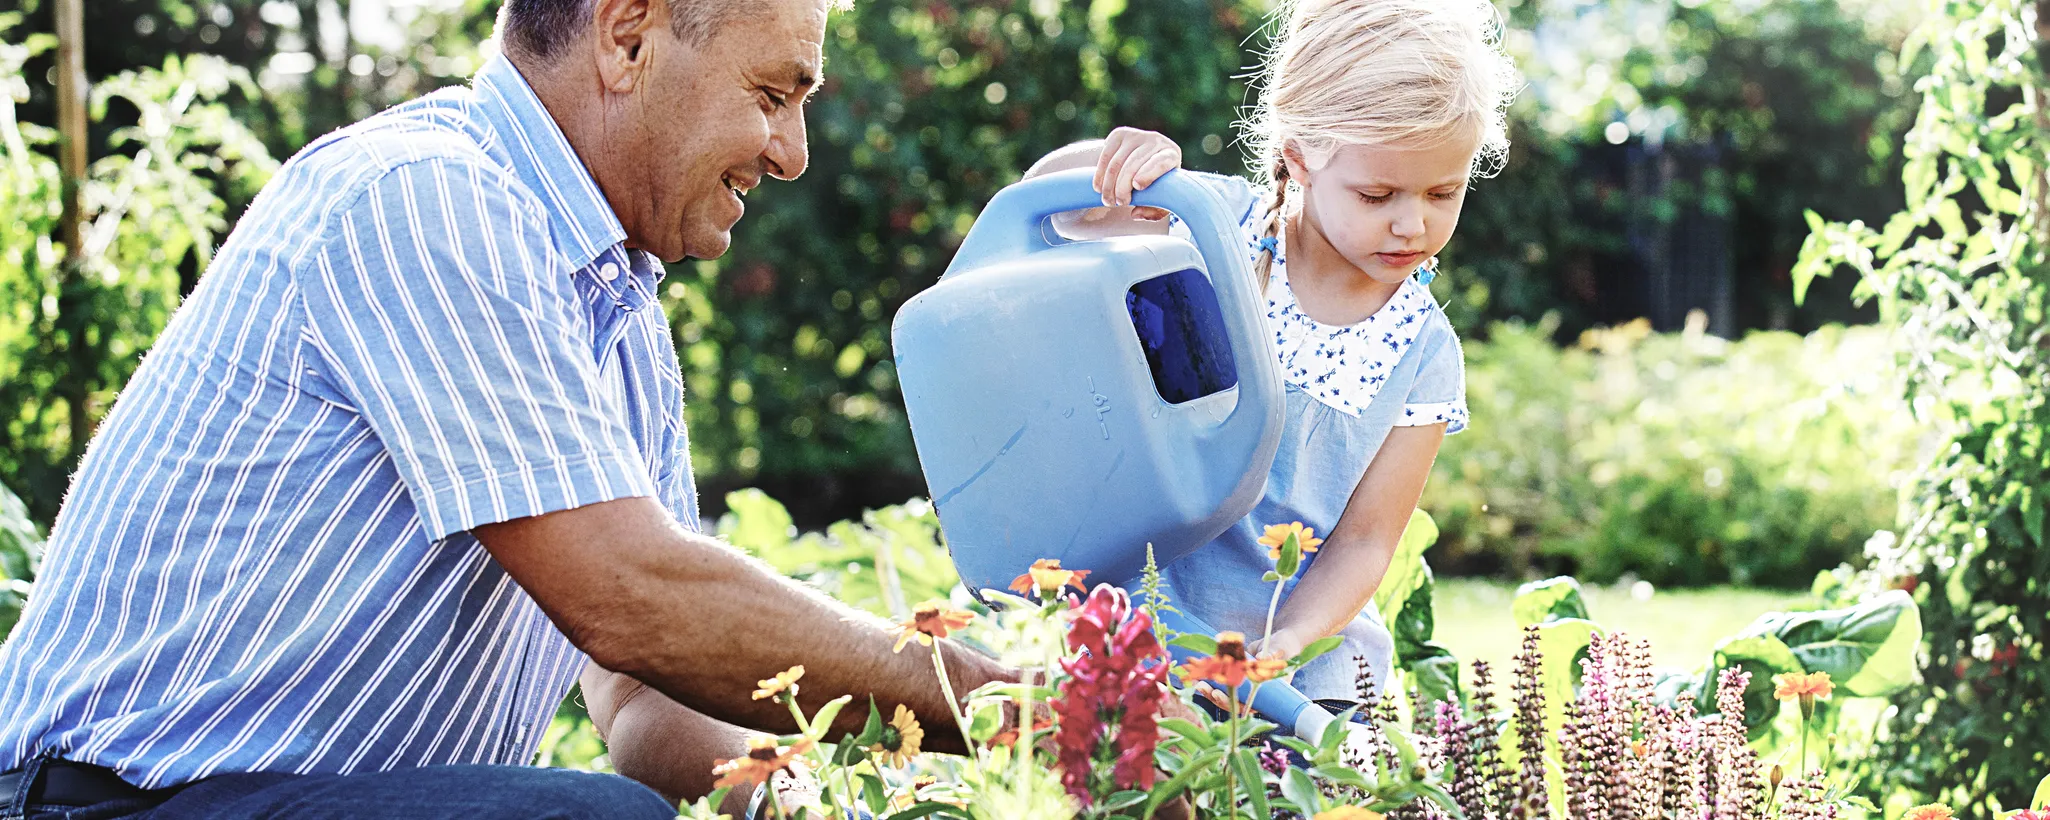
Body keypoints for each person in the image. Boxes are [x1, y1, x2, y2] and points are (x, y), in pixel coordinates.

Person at [0, 0, 1019, 817]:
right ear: (629, 38)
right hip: (114, 801)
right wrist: (1010, 707)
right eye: (771, 93)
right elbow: (633, 601)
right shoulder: (427, 198)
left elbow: (640, 692)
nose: (792, 151)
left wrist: (794, 797)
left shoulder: (612, 317)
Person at [1029, 0, 1519, 704]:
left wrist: (1286, 643)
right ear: (1299, 157)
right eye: (1377, 193)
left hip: (1305, 677)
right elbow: (1048, 205)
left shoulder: (1423, 351)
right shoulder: (1210, 226)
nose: (1413, 223)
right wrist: (1124, 160)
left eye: (1444, 191)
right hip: (1142, 644)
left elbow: (1364, 544)